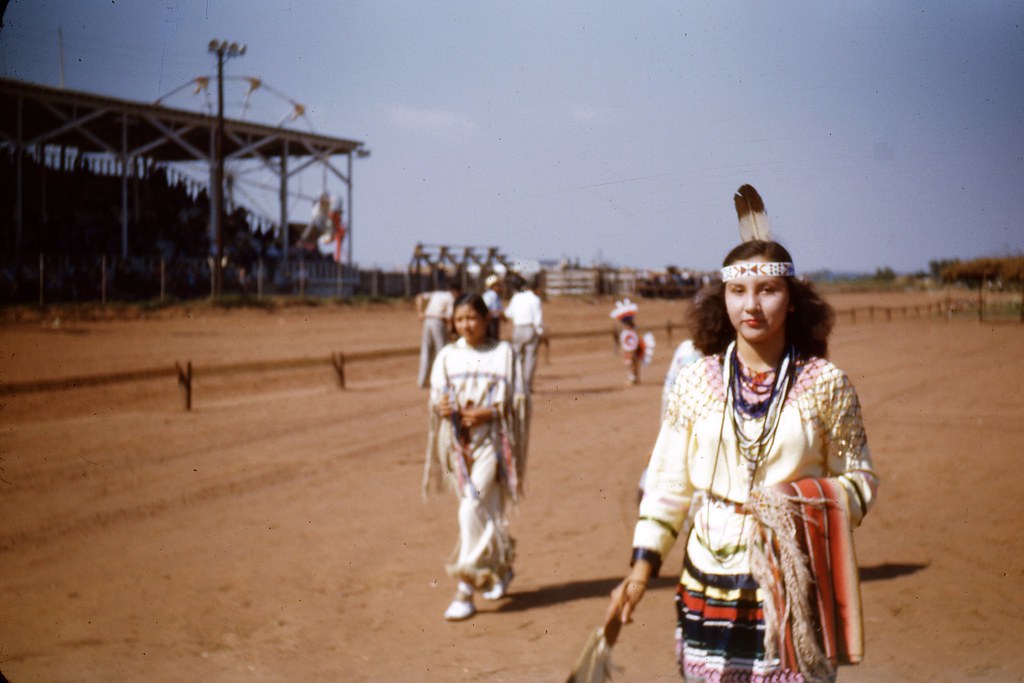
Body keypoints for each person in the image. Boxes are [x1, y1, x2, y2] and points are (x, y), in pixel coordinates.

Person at [605, 239, 879, 682]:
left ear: (792, 300)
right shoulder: (696, 381)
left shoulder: (827, 385)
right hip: (708, 579)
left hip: (791, 580)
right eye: (738, 292)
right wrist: (639, 572)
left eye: (767, 289)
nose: (751, 305)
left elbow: (860, 480)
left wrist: (793, 502)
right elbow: (668, 485)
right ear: (722, 298)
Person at [423, 293, 525, 621]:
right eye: (460, 318)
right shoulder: (447, 356)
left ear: (486, 319)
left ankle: (465, 590)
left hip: (494, 443)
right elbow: (436, 399)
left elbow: (516, 399)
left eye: (472, 318)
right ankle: (501, 567)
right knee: (487, 509)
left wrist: (489, 412)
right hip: (459, 447)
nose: (466, 324)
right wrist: (440, 408)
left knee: (471, 507)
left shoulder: (503, 353)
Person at [416, 281, 461, 388]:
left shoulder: (438, 294)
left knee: (426, 350)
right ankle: (440, 380)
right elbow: (450, 318)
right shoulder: (451, 298)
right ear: (456, 291)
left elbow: (419, 297)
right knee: (441, 351)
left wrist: (420, 312)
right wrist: (450, 332)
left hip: (428, 321)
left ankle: (422, 381)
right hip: (438, 321)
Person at [504, 275, 544, 395]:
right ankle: (526, 385)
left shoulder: (516, 297)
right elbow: (538, 319)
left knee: (517, 358)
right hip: (530, 328)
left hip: (517, 329)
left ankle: (517, 385)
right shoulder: (535, 300)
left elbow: (508, 313)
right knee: (530, 358)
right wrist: (540, 332)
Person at [609, 298, 653, 385]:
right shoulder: (630, 327)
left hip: (631, 346)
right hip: (633, 344)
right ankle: (635, 377)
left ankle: (632, 377)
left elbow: (630, 338)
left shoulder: (628, 328)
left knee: (632, 361)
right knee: (635, 361)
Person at [482, 274, 505, 340]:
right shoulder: (489, 296)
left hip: (494, 321)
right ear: (493, 286)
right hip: (490, 321)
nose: (500, 287)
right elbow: (485, 309)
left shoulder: (496, 296)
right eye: (498, 285)